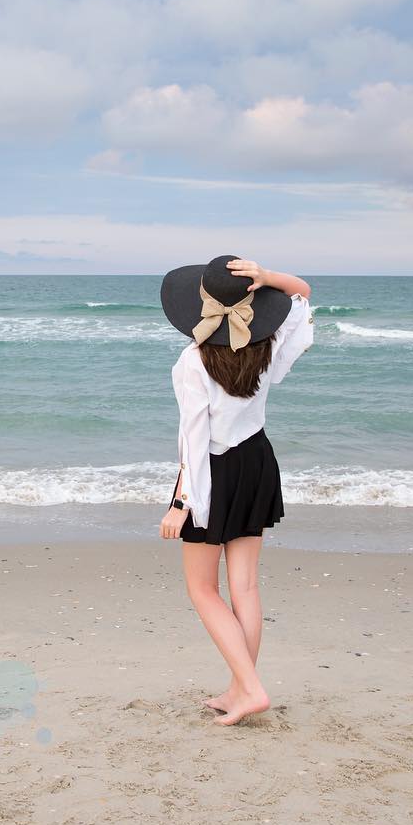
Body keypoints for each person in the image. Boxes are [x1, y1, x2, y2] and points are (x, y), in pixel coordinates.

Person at [157, 254, 314, 726]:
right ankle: (239, 687)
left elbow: (194, 439)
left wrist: (181, 503)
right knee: (244, 585)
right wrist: (267, 277)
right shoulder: (267, 341)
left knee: (203, 589)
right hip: (257, 461)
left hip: (213, 471)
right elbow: (302, 293)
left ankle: (250, 688)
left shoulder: (193, 360)